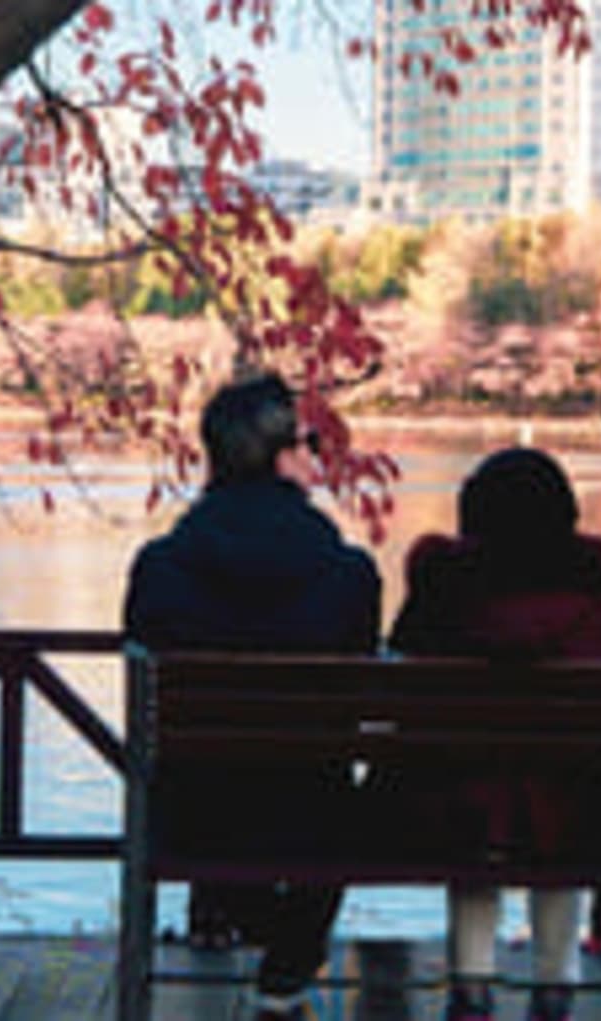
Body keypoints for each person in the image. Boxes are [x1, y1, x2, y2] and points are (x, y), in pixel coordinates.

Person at [123, 374, 383, 1021]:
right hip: (316, 818)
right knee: (351, 796)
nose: (317, 453)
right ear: (283, 456)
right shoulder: (349, 576)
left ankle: (268, 945)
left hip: (187, 815)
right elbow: (358, 701)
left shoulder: (159, 568)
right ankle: (287, 970)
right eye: (309, 441)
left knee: (225, 773)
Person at [388, 448, 601, 1021]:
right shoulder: (600, 601)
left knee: (481, 799)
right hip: (579, 816)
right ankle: (556, 984)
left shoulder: (440, 589)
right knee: (557, 800)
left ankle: (471, 986)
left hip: (448, 812)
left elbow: (402, 689)